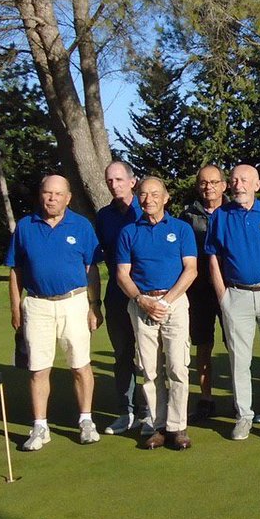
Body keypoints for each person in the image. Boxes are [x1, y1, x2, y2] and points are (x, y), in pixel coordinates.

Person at [6, 175, 103, 450]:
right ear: (41, 194)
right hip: (37, 305)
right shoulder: (25, 226)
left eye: (58, 194)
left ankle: (86, 421)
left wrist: (95, 306)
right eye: (47, 193)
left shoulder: (81, 225)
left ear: (68, 198)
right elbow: (16, 271)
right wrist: (16, 308)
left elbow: (91, 269)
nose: (52, 198)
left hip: (75, 301)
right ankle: (40, 427)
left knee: (80, 365)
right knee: (38, 369)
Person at [205, 164, 260, 441]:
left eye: (244, 180)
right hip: (236, 296)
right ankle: (244, 416)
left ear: (257, 184)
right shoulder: (220, 216)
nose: (238, 184)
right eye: (234, 180)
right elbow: (213, 257)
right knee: (239, 360)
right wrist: (223, 296)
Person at [114, 177, 198, 449]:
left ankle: (177, 427)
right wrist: (141, 299)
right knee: (149, 369)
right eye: (143, 194)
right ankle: (157, 425)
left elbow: (191, 270)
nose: (148, 199)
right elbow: (122, 275)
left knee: (177, 367)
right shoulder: (129, 232)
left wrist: (166, 301)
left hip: (174, 303)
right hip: (142, 305)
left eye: (154, 194)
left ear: (166, 197)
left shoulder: (181, 229)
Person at [97, 161, 142, 435]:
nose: (114, 185)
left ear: (132, 181)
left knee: (150, 355)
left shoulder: (149, 209)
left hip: (149, 293)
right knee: (123, 354)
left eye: (119, 179)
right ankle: (126, 412)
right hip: (116, 294)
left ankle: (151, 412)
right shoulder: (103, 216)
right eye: (109, 181)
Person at [180, 164, 226, 421]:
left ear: (223, 185)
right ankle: (206, 398)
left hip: (231, 289)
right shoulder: (187, 216)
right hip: (198, 292)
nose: (209, 187)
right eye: (204, 183)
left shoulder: (234, 212)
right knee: (204, 345)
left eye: (214, 182)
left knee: (236, 346)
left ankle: (242, 399)